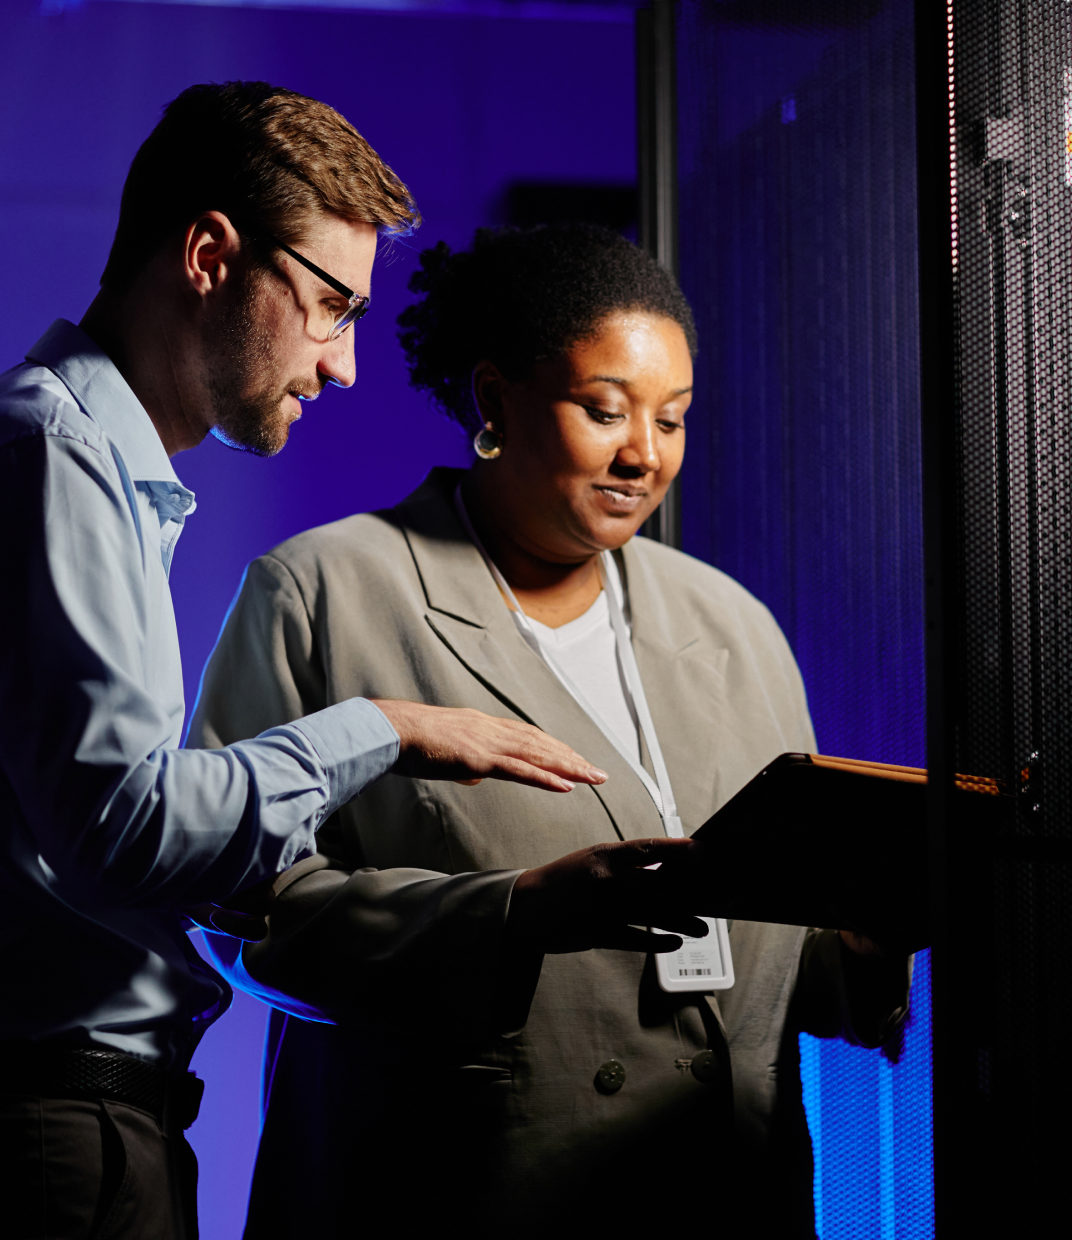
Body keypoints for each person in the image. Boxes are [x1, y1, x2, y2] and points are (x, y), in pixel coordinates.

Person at [0, 88, 606, 1240]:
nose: (344, 365)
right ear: (207, 255)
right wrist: (386, 728)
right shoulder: (42, 459)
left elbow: (98, 842)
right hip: (33, 1148)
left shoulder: (75, 464)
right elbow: (122, 827)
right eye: (331, 307)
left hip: (51, 1136)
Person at [190, 223, 913, 1239]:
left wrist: (871, 942)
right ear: (492, 401)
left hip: (721, 1191)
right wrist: (513, 913)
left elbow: (793, 971)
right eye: (603, 410)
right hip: (463, 1191)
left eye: (674, 420)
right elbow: (242, 909)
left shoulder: (734, 627)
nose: (643, 456)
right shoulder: (322, 593)